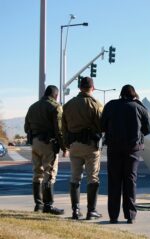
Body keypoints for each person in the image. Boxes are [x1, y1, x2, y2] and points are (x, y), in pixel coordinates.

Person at [101, 84, 150, 224]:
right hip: (133, 149)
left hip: (114, 148)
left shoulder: (111, 106)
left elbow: (102, 125)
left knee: (114, 182)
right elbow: (148, 128)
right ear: (134, 95)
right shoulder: (139, 107)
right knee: (130, 181)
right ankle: (130, 215)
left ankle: (113, 216)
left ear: (121, 94)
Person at [62, 77, 103, 220]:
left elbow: (64, 127)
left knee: (75, 178)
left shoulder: (68, 105)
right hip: (90, 146)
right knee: (92, 178)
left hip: (74, 145)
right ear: (93, 87)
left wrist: (66, 144)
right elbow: (101, 125)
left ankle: (75, 210)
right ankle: (91, 211)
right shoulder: (95, 104)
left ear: (80, 88)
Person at [24, 85, 66, 215]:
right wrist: (64, 147)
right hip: (49, 143)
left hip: (35, 142)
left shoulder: (33, 106)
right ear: (56, 95)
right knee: (50, 173)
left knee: (37, 173)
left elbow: (26, 127)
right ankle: (48, 205)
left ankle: (38, 204)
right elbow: (59, 130)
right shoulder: (55, 107)